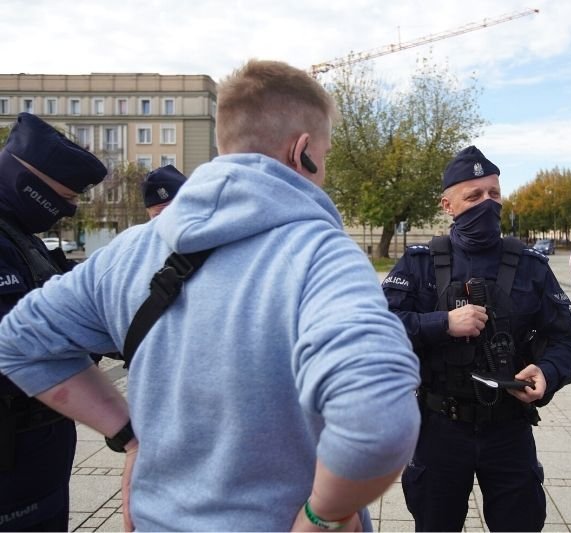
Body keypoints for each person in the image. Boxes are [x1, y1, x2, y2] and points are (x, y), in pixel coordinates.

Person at [0, 60, 421, 531]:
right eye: (325, 155)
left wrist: (128, 434)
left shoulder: (131, 251)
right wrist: (322, 514)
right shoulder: (321, 255)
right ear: (303, 151)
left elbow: (17, 341)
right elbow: (379, 419)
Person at [383, 145, 571, 532]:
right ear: (448, 205)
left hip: (509, 429)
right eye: (473, 196)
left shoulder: (529, 265)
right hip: (440, 427)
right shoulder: (419, 262)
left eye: (494, 194)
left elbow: (570, 339)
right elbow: (377, 327)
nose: (486, 204)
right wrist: (441, 322)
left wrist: (547, 373)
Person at [0, 112, 107, 531]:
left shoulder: (19, 235)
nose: (70, 209)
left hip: (37, 453)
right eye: (64, 197)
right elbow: (15, 351)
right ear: (29, 183)